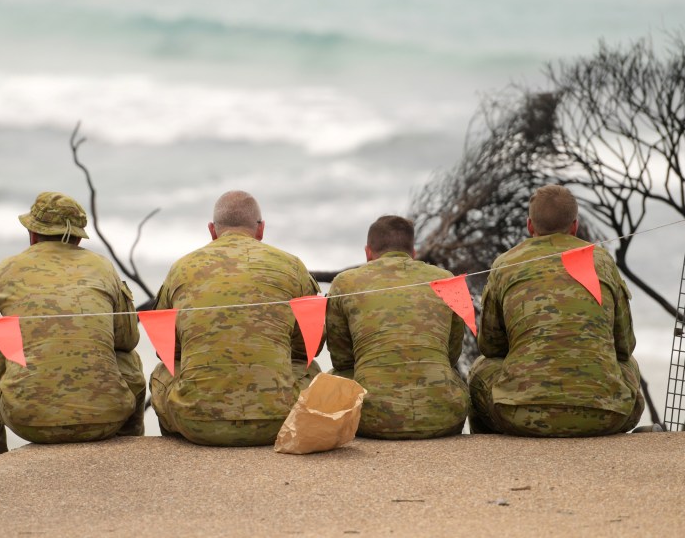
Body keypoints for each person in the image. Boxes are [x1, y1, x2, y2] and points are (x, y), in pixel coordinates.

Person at [0, 192, 145, 463]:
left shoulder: (7, 268)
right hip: (107, 418)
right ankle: (131, 448)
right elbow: (127, 339)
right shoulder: (103, 267)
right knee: (128, 359)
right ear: (78, 237)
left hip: (28, 419)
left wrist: (13, 332)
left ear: (32, 233)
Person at [468, 184, 644, 437]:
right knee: (630, 365)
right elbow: (624, 346)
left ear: (530, 226)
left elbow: (491, 347)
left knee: (480, 369)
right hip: (607, 416)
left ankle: (489, 445)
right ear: (574, 226)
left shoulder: (506, 264)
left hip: (521, 416)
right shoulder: (602, 261)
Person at [149, 190, 321, 446]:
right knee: (311, 370)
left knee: (162, 373)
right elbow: (310, 346)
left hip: (196, 424)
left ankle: (175, 442)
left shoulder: (181, 268)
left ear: (212, 230)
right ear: (261, 229)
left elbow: (166, 349)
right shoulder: (292, 266)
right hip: (278, 421)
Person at [326, 215, 469, 439]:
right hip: (444, 416)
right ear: (413, 253)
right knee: (476, 372)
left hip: (371, 420)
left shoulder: (345, 283)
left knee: (333, 378)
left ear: (368, 252)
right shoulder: (447, 280)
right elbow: (452, 354)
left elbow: (342, 360)